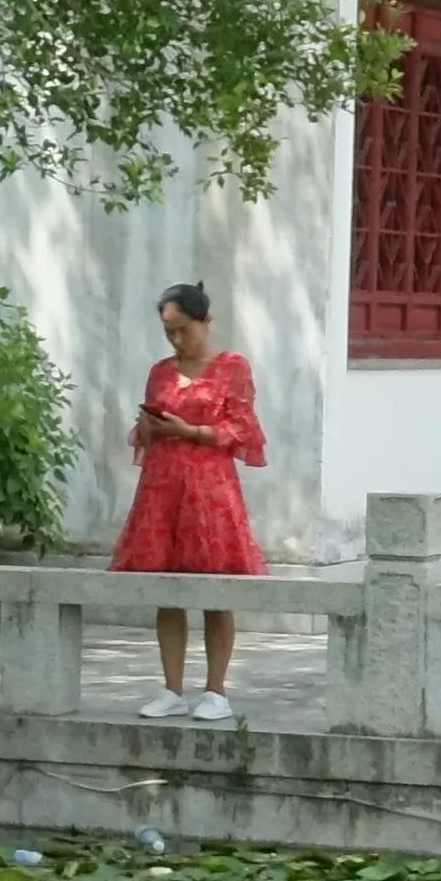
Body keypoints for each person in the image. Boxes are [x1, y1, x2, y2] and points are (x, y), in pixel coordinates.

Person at [110, 281, 263, 722]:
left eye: (184, 330)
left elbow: (242, 428)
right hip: (162, 487)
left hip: (210, 488)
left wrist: (190, 431)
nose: (177, 340)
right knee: (167, 588)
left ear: (205, 321)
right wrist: (149, 427)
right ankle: (171, 688)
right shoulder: (160, 372)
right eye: (169, 332)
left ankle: (216, 691)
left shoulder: (232, 367)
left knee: (216, 588)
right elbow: (144, 430)